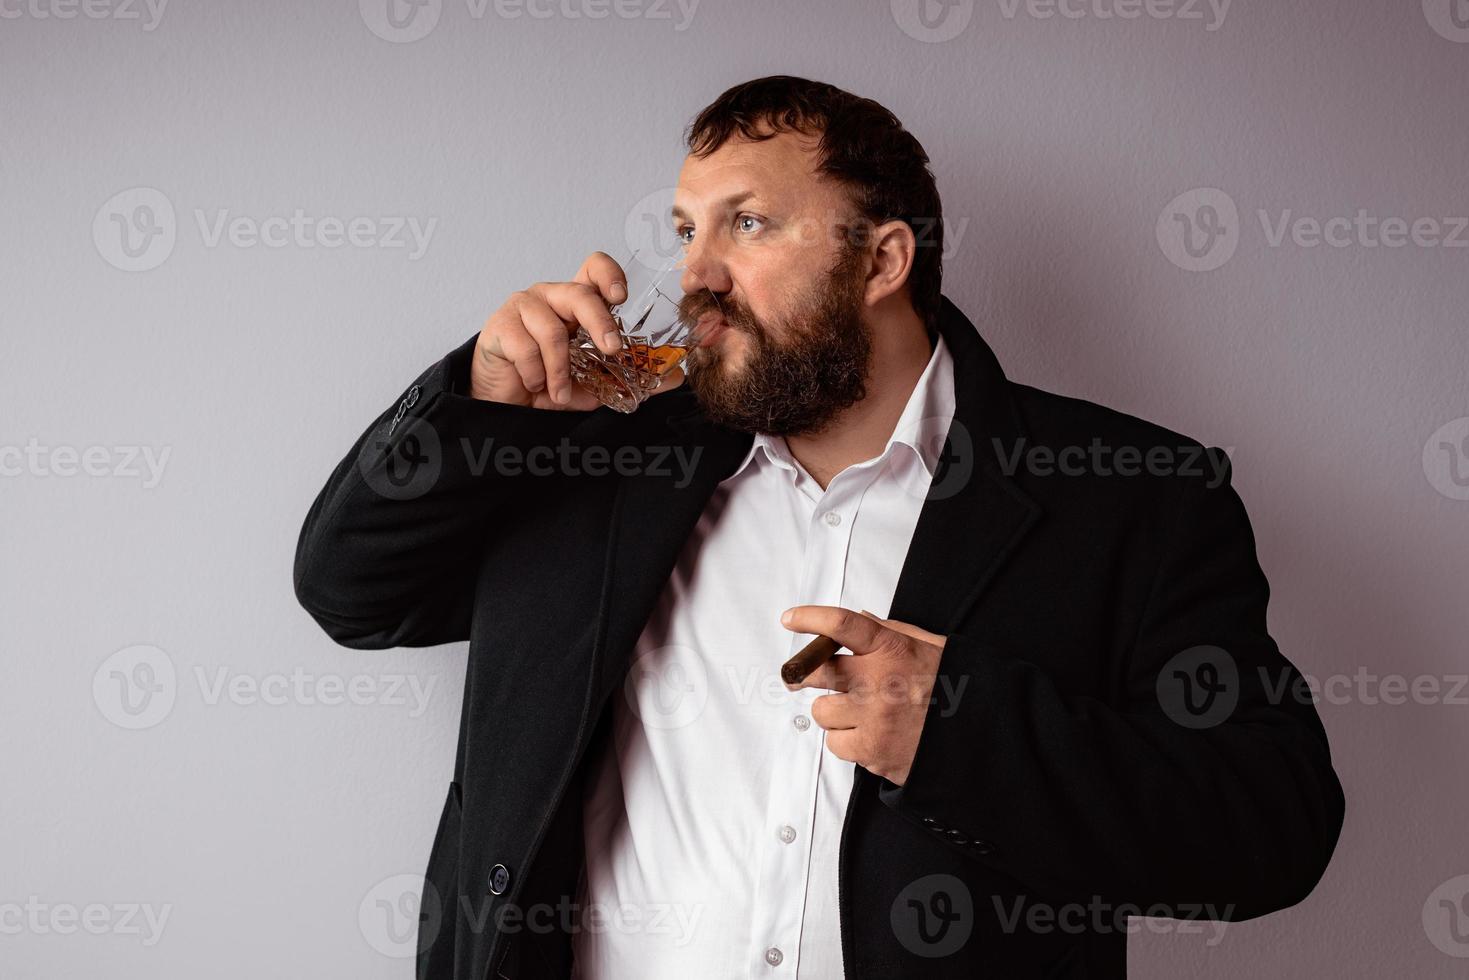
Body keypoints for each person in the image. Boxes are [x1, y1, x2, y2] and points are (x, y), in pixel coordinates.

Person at [293, 75, 1344, 980]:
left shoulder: (1130, 494)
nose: (695, 271)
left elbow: (1269, 831)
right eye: (684, 229)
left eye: (745, 223)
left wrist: (960, 731)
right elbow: (350, 590)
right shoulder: (589, 458)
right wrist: (474, 400)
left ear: (881, 259)